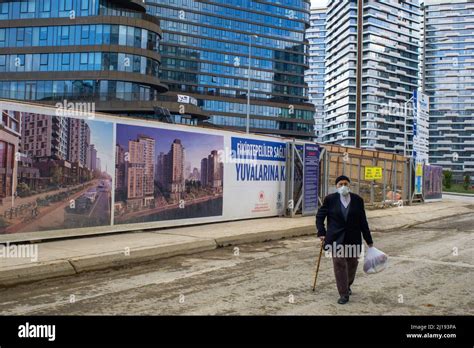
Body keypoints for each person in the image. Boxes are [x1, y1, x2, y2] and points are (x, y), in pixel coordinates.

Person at [316, 175, 374, 304]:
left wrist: (369, 240)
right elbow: (320, 217)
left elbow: (363, 221)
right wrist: (321, 232)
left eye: (346, 184)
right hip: (335, 239)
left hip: (353, 238)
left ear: (349, 185)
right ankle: (343, 293)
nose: (343, 186)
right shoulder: (330, 199)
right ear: (336, 186)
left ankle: (347, 284)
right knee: (339, 264)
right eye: (340, 184)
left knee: (352, 264)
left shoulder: (358, 200)